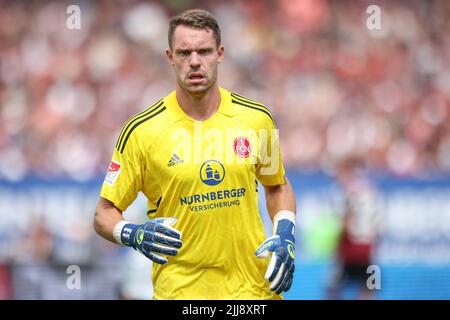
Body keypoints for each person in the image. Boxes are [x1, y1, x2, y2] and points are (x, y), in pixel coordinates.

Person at [93, 9, 297, 300]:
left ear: (220, 53)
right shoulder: (141, 131)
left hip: (253, 294)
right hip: (181, 294)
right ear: (170, 57)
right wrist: (133, 234)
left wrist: (286, 232)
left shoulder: (256, 119)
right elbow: (103, 213)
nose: (195, 62)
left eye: (204, 51)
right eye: (184, 52)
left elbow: (277, 185)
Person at [327, 157, 381, 300]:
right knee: (370, 286)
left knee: (332, 286)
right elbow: (378, 222)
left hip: (350, 247)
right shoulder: (370, 189)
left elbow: (346, 220)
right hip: (368, 248)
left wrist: (336, 246)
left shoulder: (348, 191)